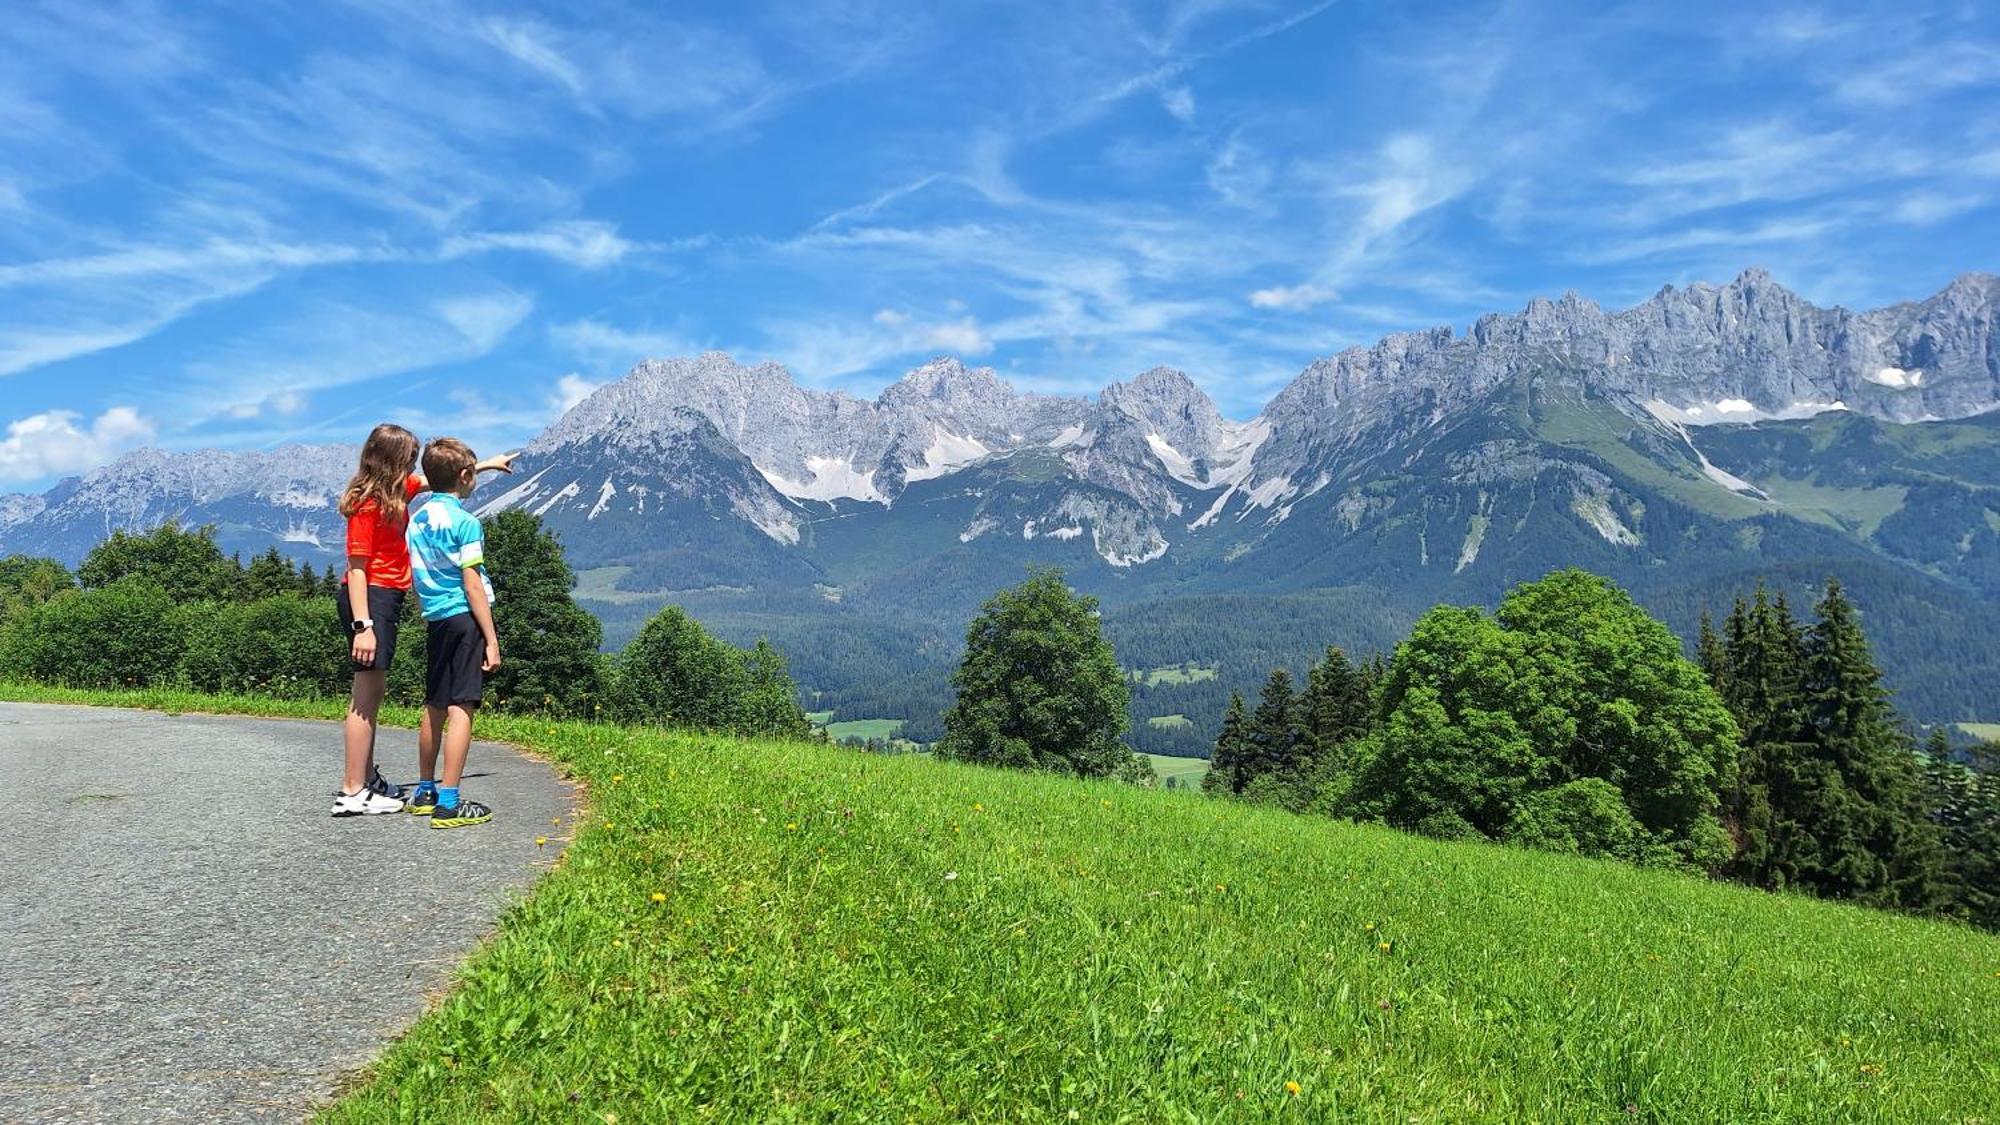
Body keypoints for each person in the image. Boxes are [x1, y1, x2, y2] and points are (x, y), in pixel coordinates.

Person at [332, 424, 513, 818]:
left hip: (409, 607)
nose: (414, 468)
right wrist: (363, 625)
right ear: (393, 463)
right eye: (408, 460)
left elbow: (440, 478)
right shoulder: (369, 505)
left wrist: (485, 465)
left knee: (391, 694)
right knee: (369, 695)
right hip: (374, 600)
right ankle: (355, 789)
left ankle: (381, 781)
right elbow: (358, 567)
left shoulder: (400, 498)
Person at [404, 437, 504, 829]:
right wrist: (491, 638)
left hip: (437, 620)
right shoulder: (466, 523)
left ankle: (425, 790)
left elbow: (418, 575)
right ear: (466, 476)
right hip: (465, 617)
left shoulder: (417, 520)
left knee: (435, 704)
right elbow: (472, 583)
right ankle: (450, 801)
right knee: (463, 705)